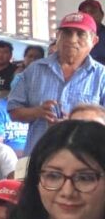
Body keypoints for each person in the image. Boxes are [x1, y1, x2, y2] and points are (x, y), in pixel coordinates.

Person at [8, 12, 105, 154]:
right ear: (58, 37)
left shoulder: (101, 76)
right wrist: (38, 112)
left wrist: (76, 121)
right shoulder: (35, 70)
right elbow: (14, 111)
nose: (72, 40)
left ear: (94, 41)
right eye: (66, 33)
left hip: (86, 157)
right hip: (39, 155)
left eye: (80, 34)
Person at [77, 0, 105, 64]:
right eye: (84, 12)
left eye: (93, 11)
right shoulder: (72, 33)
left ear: (102, 14)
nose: (88, 15)